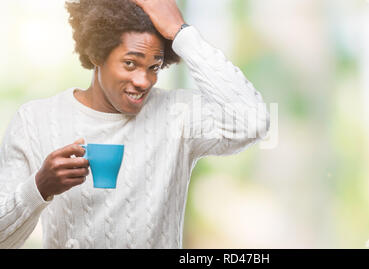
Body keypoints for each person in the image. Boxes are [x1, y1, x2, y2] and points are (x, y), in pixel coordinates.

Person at [0, 0, 269, 249]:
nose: (144, 81)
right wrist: (39, 188)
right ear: (97, 54)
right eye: (130, 64)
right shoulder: (35, 120)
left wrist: (182, 34)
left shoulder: (177, 116)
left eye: (154, 67)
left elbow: (254, 122)